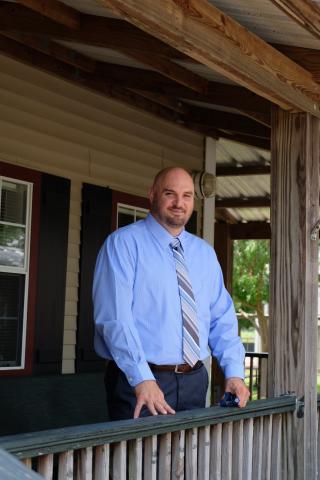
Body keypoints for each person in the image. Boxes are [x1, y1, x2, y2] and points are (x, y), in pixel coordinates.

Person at [93, 167, 250, 420]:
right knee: (138, 459)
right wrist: (142, 378)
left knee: (189, 458)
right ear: (153, 195)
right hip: (141, 382)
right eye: (170, 193)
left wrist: (234, 373)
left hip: (195, 381)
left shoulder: (204, 254)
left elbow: (222, 318)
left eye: (187, 195)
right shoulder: (123, 245)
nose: (179, 203)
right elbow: (115, 320)